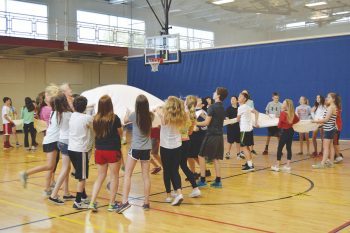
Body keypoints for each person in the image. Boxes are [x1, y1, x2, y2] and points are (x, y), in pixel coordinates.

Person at [19, 84, 60, 196]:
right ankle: (26, 173)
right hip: (52, 139)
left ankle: (47, 188)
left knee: (51, 167)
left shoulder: (45, 108)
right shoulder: (48, 109)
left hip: (51, 138)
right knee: (50, 166)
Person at [117, 95, 153, 213]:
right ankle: (146, 203)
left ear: (137, 105)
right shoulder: (150, 115)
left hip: (135, 148)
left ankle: (124, 201)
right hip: (146, 149)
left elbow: (125, 120)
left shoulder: (134, 115)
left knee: (127, 175)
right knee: (146, 176)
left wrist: (127, 112)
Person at [88, 95, 122, 212]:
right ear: (110, 105)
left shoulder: (95, 119)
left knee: (100, 176)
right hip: (112, 150)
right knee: (114, 177)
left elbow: (95, 133)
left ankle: (92, 202)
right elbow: (120, 133)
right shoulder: (114, 118)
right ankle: (111, 204)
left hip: (99, 150)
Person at [155, 96, 187, 205]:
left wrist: (158, 111)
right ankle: (178, 192)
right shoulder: (181, 116)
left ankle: (169, 195)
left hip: (166, 147)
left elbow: (163, 123)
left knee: (167, 171)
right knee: (175, 170)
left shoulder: (165, 116)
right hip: (177, 146)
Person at [196, 87, 228, 188]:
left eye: (215, 92)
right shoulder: (222, 107)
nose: (213, 93)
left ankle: (203, 180)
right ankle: (218, 181)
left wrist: (194, 122)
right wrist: (205, 116)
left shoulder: (212, 107)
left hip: (211, 135)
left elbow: (206, 123)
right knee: (215, 158)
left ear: (218, 95)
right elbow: (213, 119)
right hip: (219, 136)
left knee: (201, 156)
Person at [48, 94, 75, 205]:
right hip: (67, 142)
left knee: (67, 168)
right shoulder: (68, 114)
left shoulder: (55, 113)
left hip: (61, 141)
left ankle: (66, 192)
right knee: (65, 169)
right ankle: (54, 195)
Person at [68, 96, 93, 209]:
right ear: (85, 107)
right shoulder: (87, 118)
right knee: (82, 177)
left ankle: (83, 196)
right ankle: (77, 202)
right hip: (81, 150)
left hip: (71, 149)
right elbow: (94, 128)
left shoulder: (72, 115)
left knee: (79, 173)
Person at [179, 95, 201, 197]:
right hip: (187, 141)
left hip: (179, 142)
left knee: (176, 167)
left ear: (186, 103)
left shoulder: (183, 114)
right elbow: (191, 132)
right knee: (183, 165)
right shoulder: (193, 116)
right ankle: (194, 187)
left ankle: (176, 191)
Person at [271, 99, 299, 172]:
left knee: (280, 148)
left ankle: (277, 166)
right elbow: (297, 120)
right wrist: (290, 123)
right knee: (288, 148)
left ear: (286, 105)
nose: (282, 104)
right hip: (291, 131)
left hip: (284, 132)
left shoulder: (283, 113)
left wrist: (279, 122)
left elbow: (279, 125)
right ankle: (288, 165)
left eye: (283, 103)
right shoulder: (292, 113)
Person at [312, 93, 338, 169]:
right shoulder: (333, 107)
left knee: (326, 147)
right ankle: (331, 162)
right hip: (331, 128)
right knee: (330, 146)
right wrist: (320, 121)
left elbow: (326, 119)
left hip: (329, 129)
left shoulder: (331, 107)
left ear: (333, 99)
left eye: (329, 97)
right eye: (327, 97)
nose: (327, 98)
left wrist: (316, 121)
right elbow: (329, 119)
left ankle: (322, 163)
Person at [237, 92, 259, 172]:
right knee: (247, 147)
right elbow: (257, 113)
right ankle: (249, 163)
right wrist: (256, 122)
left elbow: (238, 119)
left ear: (244, 99)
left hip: (244, 130)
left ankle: (250, 166)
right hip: (249, 129)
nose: (238, 97)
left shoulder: (241, 108)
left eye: (240, 96)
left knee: (244, 148)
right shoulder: (247, 106)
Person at [188, 97, 207, 178]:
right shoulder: (191, 112)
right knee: (190, 155)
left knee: (194, 155)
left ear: (202, 105)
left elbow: (205, 126)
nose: (197, 100)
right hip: (191, 136)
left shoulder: (202, 113)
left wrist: (197, 126)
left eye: (199, 100)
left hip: (198, 137)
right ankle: (194, 172)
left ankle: (202, 171)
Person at [241, 90, 257, 155]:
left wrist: (255, 121)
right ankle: (244, 150)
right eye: (243, 93)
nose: (243, 94)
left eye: (245, 93)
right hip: (243, 122)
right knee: (243, 138)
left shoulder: (251, 102)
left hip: (249, 121)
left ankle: (251, 149)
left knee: (249, 135)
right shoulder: (240, 102)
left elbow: (253, 111)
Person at [334, 94, 343, 163]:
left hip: (336, 126)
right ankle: (338, 155)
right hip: (337, 126)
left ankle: (338, 156)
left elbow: (333, 118)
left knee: (335, 142)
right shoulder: (336, 107)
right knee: (335, 142)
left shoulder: (335, 107)